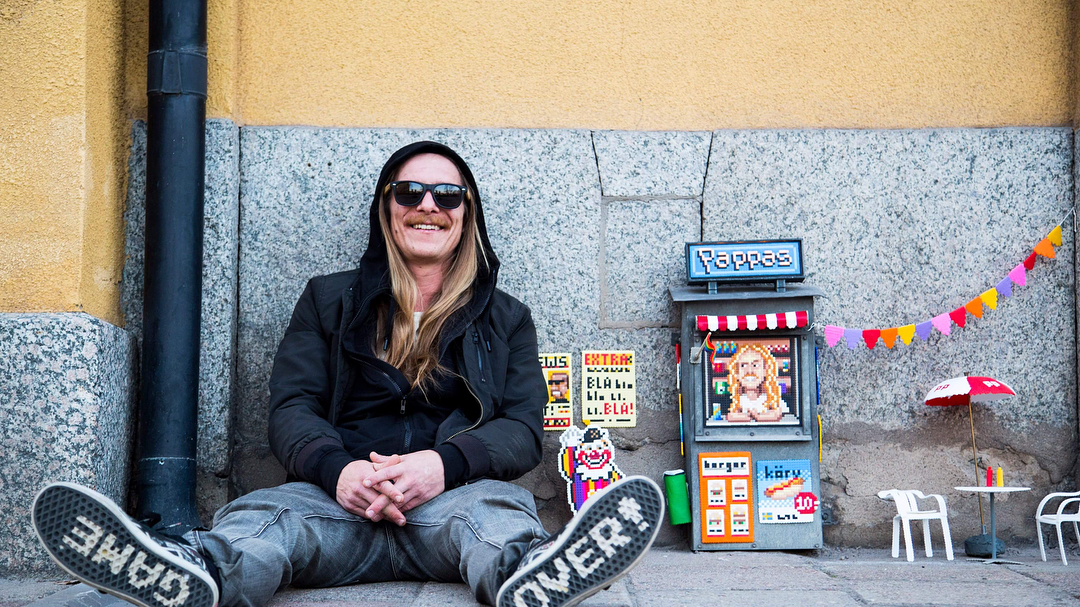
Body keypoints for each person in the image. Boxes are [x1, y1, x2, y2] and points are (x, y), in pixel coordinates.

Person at [32, 142, 663, 607]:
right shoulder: (326, 299)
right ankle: (190, 575)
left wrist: (441, 466)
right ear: (386, 207)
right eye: (408, 192)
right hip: (333, 504)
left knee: (497, 522)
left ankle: (534, 574)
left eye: (447, 196)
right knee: (265, 521)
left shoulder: (507, 318)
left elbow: (523, 428)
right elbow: (291, 409)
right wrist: (340, 472)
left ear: (467, 214)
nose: (428, 206)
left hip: (453, 504)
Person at [723, 343, 785, 423]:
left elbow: (777, 414)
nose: (749, 371)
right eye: (743, 366)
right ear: (736, 373)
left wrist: (757, 416)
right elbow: (730, 416)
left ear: (766, 370)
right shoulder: (736, 400)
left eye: (755, 365)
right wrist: (748, 416)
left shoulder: (772, 398)